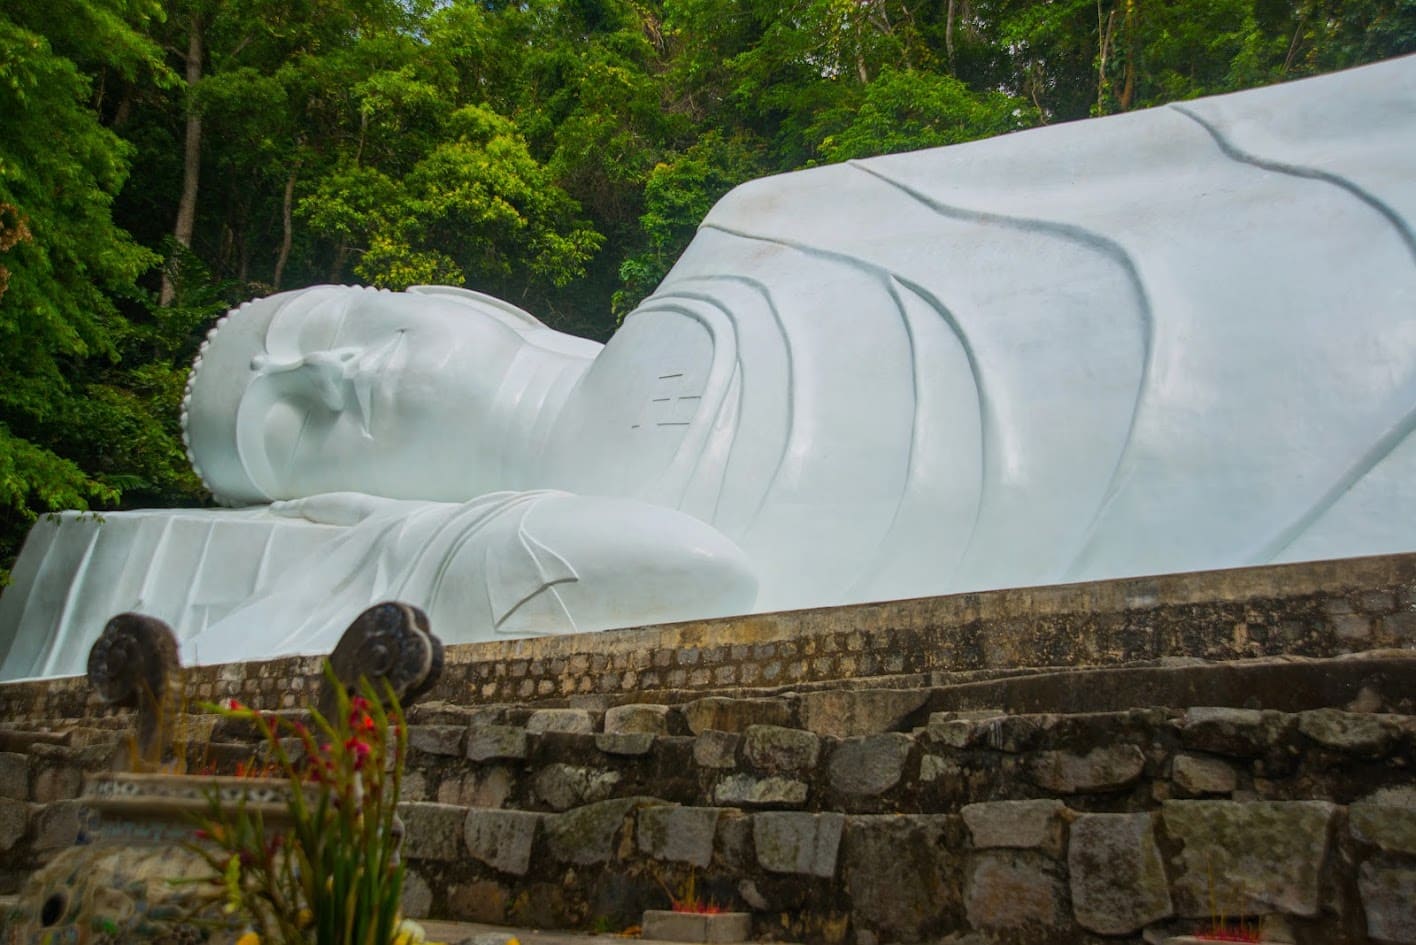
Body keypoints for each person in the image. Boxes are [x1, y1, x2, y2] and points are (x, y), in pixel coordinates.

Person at [2, 54, 1413, 679]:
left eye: (339, 326)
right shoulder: (546, 542)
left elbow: (1154, 171)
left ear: (446, 293)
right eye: (299, 433)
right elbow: (690, 574)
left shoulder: (758, 219)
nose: (340, 383)